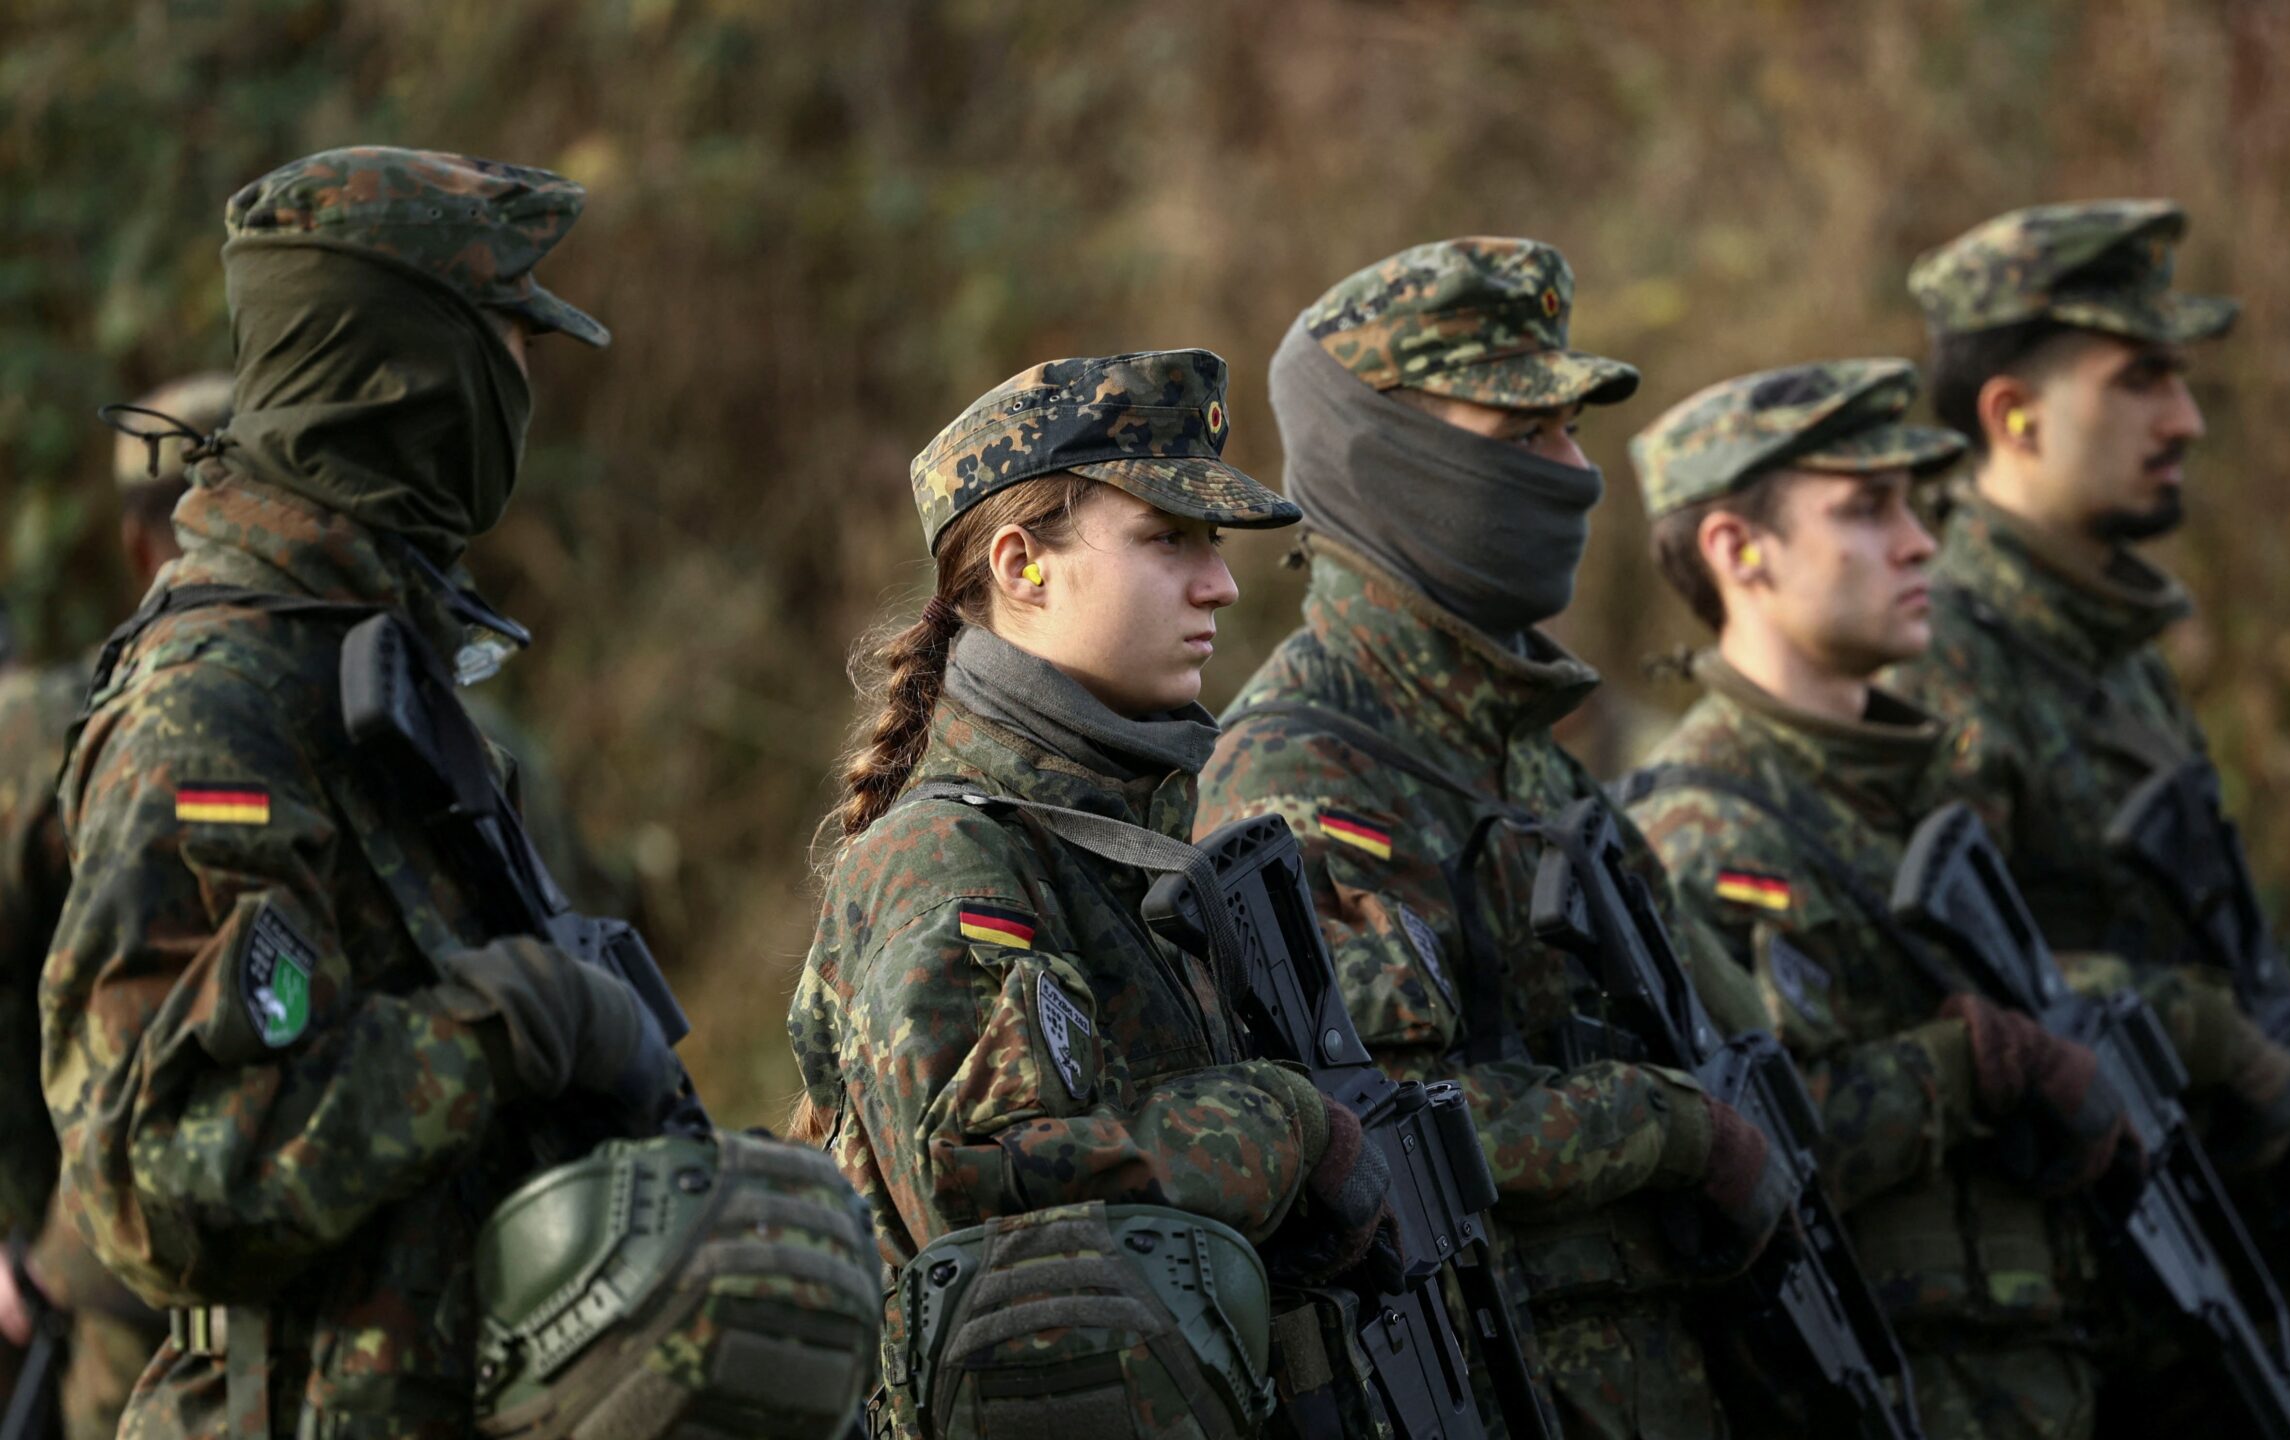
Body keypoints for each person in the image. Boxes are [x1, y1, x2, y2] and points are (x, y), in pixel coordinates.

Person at [42, 147, 882, 1440]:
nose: (525, 388)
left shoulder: (371, 665)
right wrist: (502, 1031)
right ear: (401, 364)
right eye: (505, 342)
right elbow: (167, 1180)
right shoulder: (220, 702)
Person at [1195, 237, 1788, 1439]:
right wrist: (1671, 1131)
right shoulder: (1301, 771)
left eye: (1572, 433)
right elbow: (1390, 1126)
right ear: (1387, 456)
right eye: (1524, 439)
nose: (1575, 476)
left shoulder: (1526, 752)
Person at [1892, 199, 2290, 1275]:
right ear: (2014, 416)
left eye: (2180, 379)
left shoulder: (2108, 636)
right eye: (2139, 380)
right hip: (2071, 1271)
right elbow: (1936, 984)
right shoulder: (1944, 653)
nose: (2186, 419)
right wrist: (2204, 1029)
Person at [788, 348, 1393, 1438]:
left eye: (1210, 545)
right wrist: (1287, 1127)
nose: (1220, 583)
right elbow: (987, 1184)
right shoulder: (952, 862)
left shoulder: (1120, 839)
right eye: (1169, 540)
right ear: (1022, 566)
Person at [1618, 357, 2174, 1439]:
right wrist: (1963, 1069)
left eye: (1915, 507)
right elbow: (1738, 1150)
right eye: (1867, 512)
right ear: (1739, 552)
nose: (1921, 541)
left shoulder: (1917, 798)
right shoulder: (1699, 835)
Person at [0, 373, 229, 1440]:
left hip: (118, 1277)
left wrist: (49, 1263)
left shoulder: (69, 725)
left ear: (140, 540)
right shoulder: (376, 670)